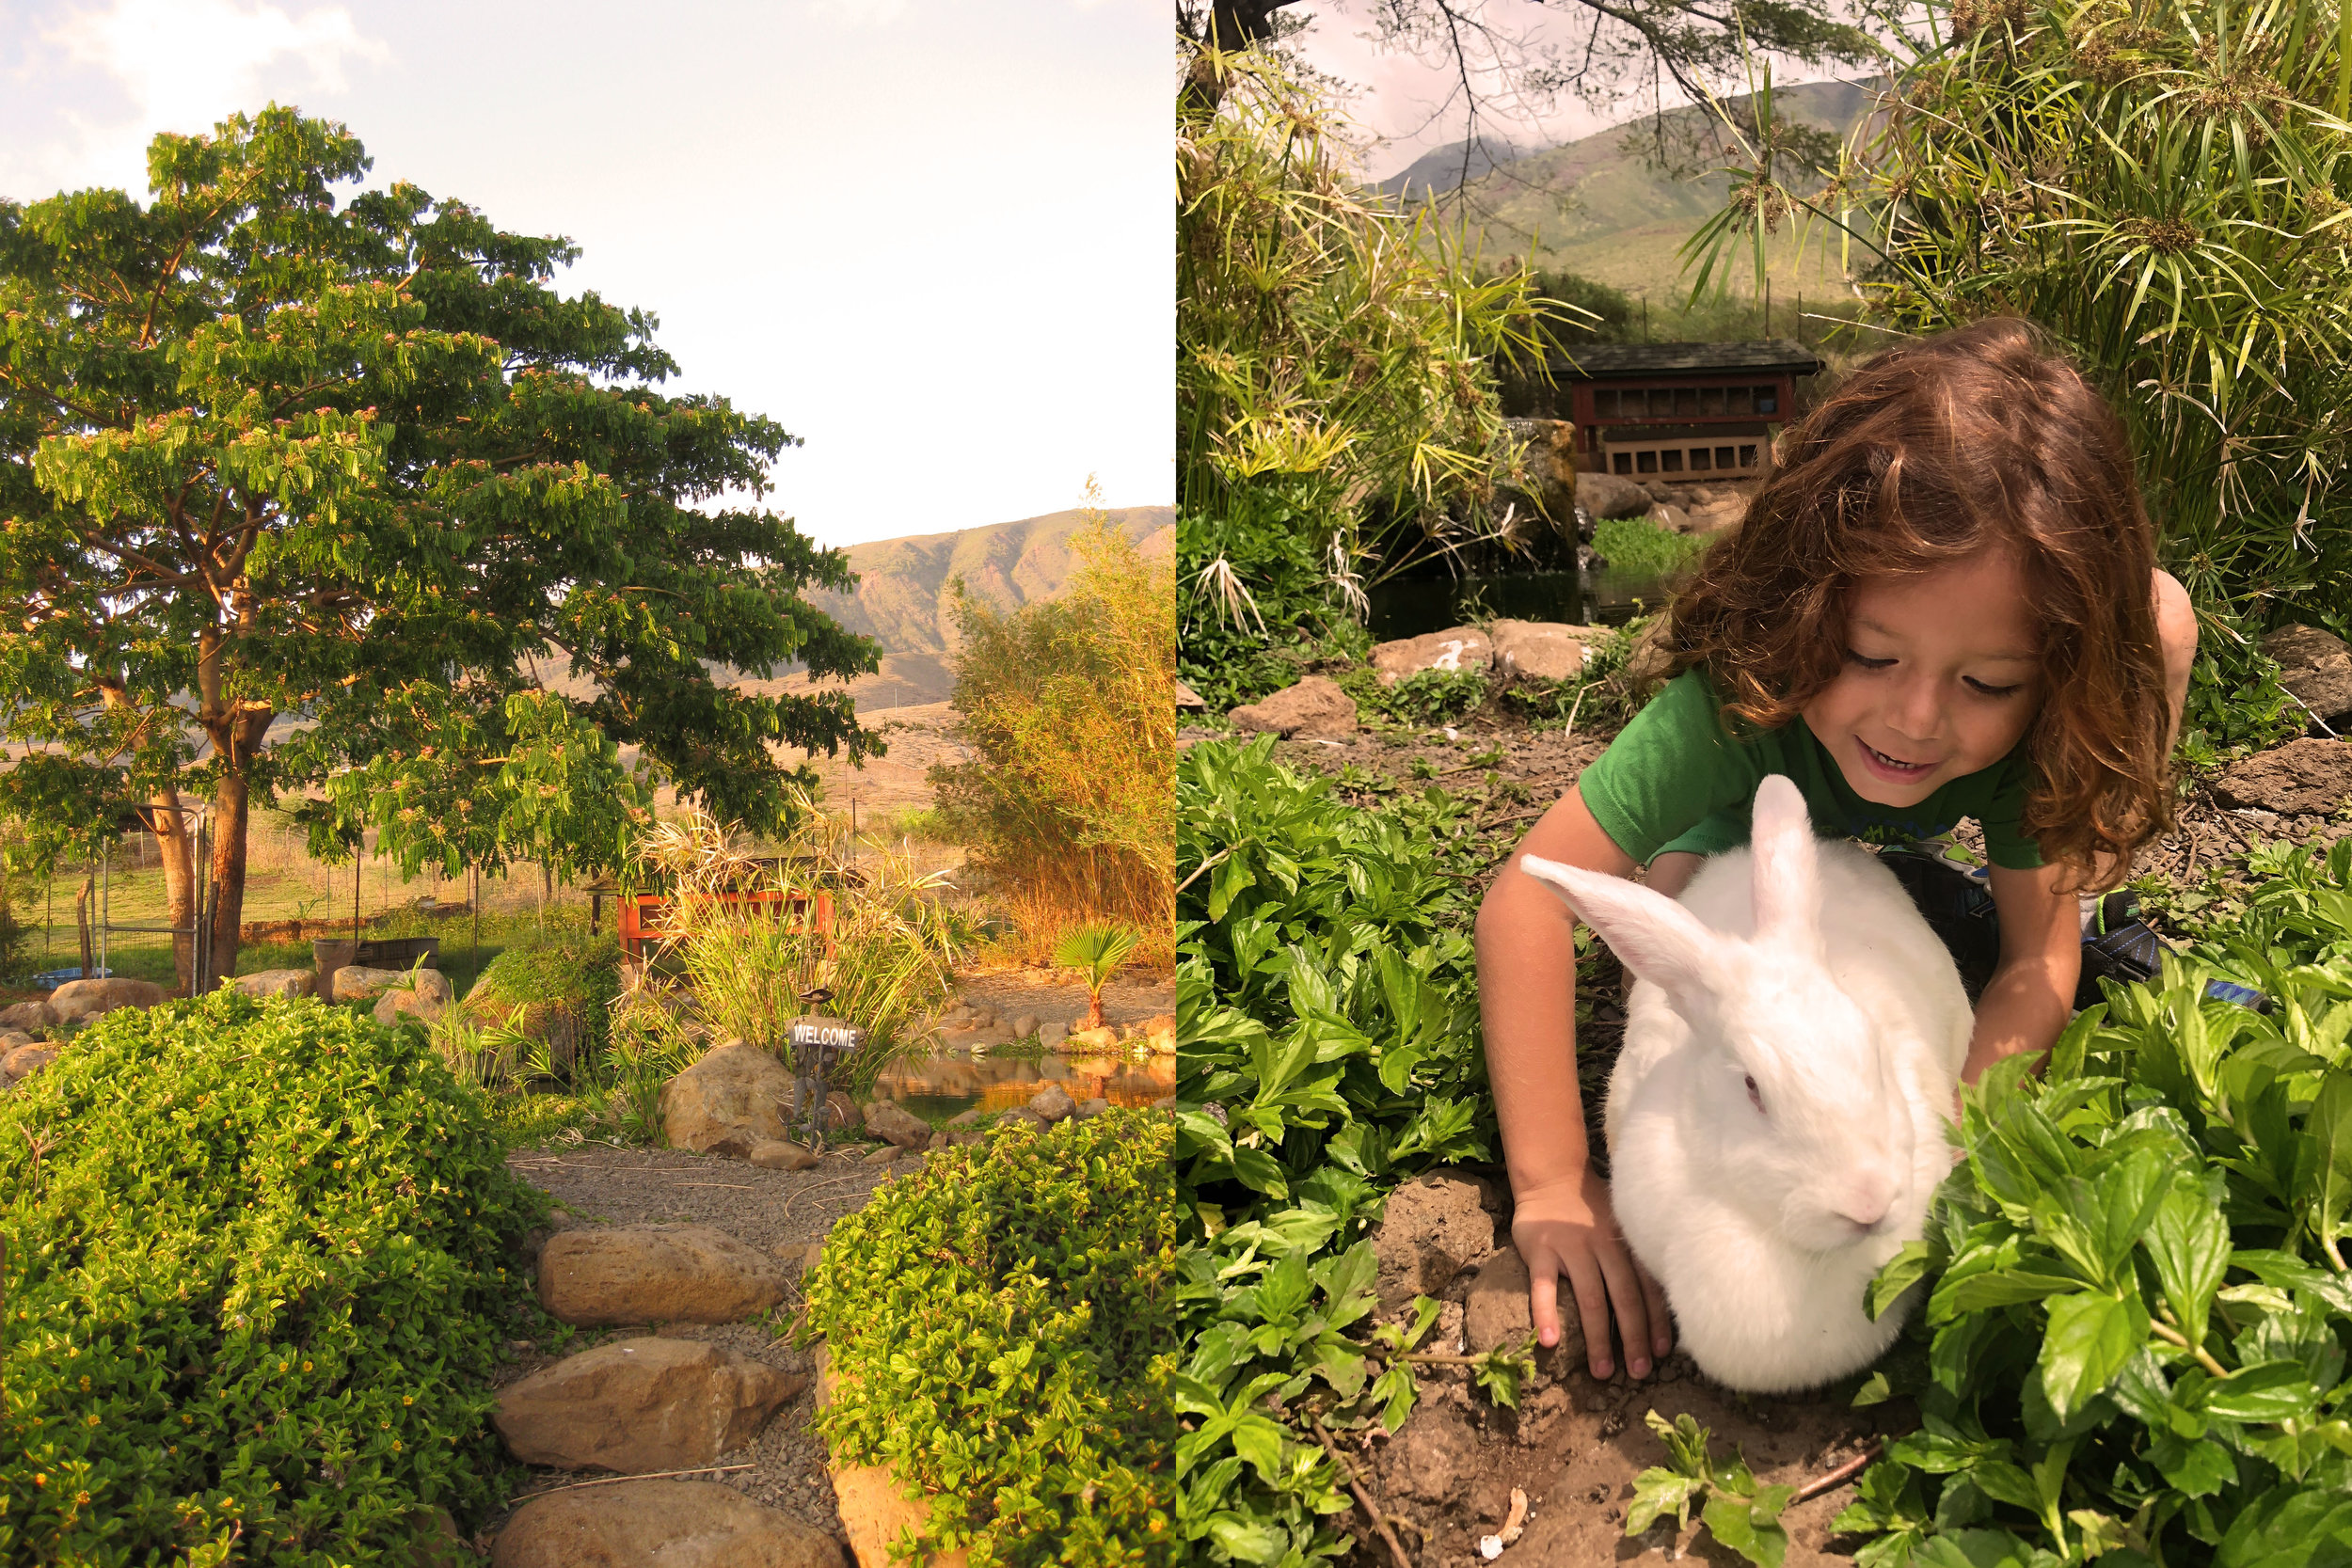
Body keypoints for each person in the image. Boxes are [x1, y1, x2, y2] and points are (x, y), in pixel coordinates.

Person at [1475, 317, 2200, 1383]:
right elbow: (1526, 904)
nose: (1914, 718)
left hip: (1878, 858)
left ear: (2046, 671)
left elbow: (2036, 963)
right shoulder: (1730, 708)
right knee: (1684, 944)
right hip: (1733, 851)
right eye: (1869, 654)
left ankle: (2092, 819)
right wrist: (1549, 1182)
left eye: (1986, 681)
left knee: (2162, 622)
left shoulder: (2033, 728)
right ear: (1811, 604)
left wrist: (1952, 1133)